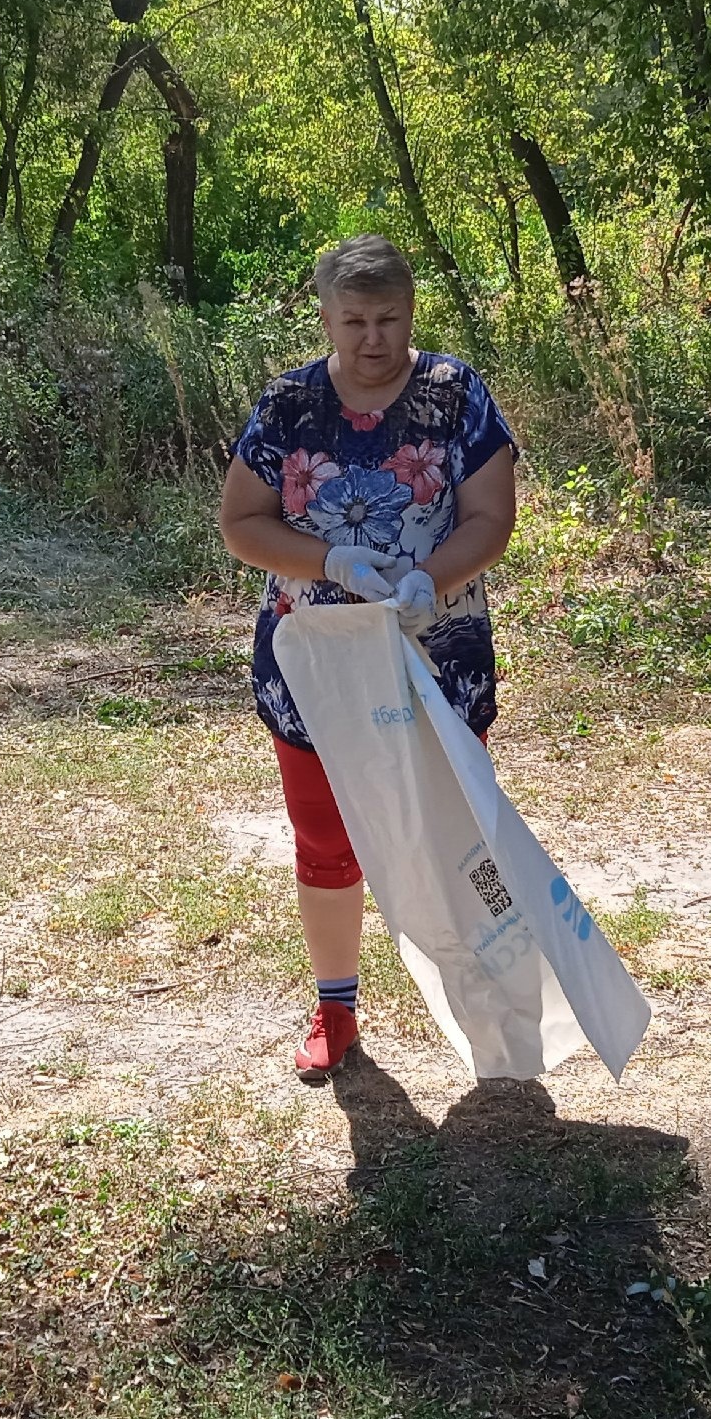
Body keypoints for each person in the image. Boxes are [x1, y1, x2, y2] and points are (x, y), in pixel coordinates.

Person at [218, 235, 520, 1075]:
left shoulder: (455, 393)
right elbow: (241, 523)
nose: (372, 338)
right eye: (353, 320)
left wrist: (430, 576)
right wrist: (327, 560)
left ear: (411, 312)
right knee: (325, 842)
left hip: (437, 654)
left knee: (458, 832)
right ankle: (336, 1008)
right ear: (324, 316)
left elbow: (490, 519)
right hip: (317, 664)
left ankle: (489, 999)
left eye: (388, 318)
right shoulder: (288, 406)